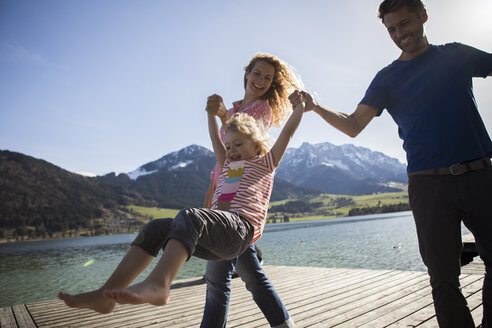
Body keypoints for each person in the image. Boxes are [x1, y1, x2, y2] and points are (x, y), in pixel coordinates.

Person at [289, 0, 492, 327]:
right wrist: (315, 106)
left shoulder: (456, 55)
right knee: (443, 278)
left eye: (405, 24)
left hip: (481, 175)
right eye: (391, 29)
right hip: (430, 187)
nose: (400, 34)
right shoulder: (387, 78)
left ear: (423, 17)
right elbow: (354, 124)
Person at [58, 93, 306, 319]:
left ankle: (159, 284)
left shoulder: (265, 163)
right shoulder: (227, 167)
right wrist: (211, 115)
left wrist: (300, 107)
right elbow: (214, 138)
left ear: (256, 144)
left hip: (241, 230)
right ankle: (105, 297)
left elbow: (287, 133)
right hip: (217, 238)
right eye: (229, 146)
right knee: (157, 228)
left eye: (238, 144)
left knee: (191, 216)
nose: (231, 151)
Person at [201, 53, 301, 328]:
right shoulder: (233, 112)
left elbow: (243, 137)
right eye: (257, 74)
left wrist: (222, 116)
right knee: (252, 277)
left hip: (241, 208)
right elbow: (221, 147)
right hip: (224, 194)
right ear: (247, 73)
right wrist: (216, 115)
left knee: (218, 280)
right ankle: (284, 324)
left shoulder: (260, 112)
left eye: (267, 78)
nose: (260, 80)